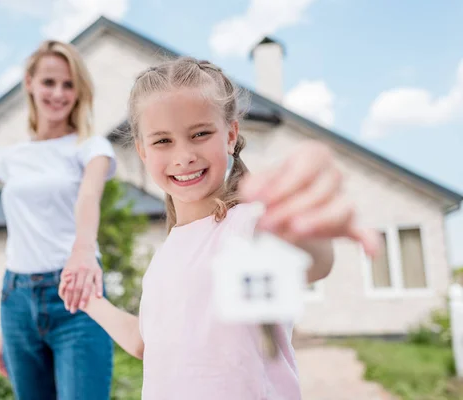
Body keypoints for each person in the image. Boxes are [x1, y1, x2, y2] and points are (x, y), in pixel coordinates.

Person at [59, 57, 379, 399]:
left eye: (200, 134)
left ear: (231, 134)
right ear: (142, 151)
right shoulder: (167, 253)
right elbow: (145, 343)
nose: (183, 156)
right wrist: (89, 301)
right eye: (163, 141)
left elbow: (313, 260)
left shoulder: (246, 224)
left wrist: (303, 219)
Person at [0, 40, 116, 400]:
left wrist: (83, 250)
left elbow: (89, 195)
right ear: (29, 83)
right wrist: (7, 328)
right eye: (49, 82)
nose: (58, 93)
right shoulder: (10, 159)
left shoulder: (91, 148)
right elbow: (22, 232)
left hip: (76, 296)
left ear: (79, 92)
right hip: (15, 300)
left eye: (68, 84)